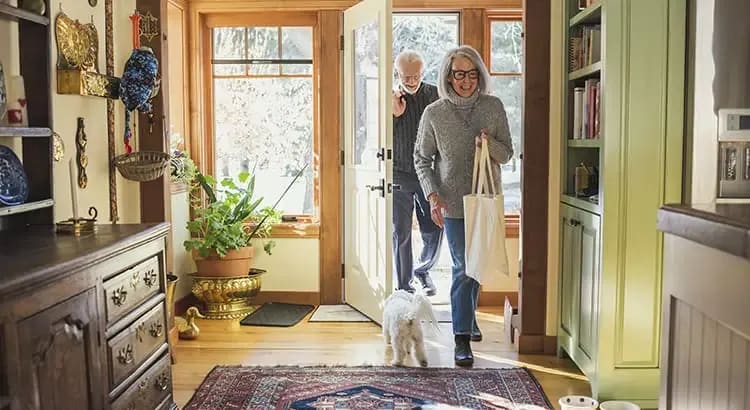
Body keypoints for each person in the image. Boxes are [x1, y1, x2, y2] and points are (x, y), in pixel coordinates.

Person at [414, 45, 513, 366]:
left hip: (485, 199)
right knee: (462, 267)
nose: (466, 80)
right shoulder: (434, 113)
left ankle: (468, 321)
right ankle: (461, 338)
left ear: (479, 76)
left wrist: (489, 144)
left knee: (478, 265)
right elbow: (422, 159)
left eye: (472, 74)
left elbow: (507, 153)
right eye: (459, 74)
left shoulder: (493, 107)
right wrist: (432, 195)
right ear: (448, 76)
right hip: (453, 203)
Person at [391, 50, 443, 296]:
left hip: (430, 172)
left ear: (423, 72)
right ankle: (404, 285)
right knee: (401, 231)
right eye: (405, 76)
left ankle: (422, 270)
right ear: (397, 73)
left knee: (434, 227)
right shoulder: (390, 96)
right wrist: (394, 115)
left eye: (415, 76)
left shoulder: (435, 95)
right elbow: (377, 136)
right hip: (399, 172)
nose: (410, 81)